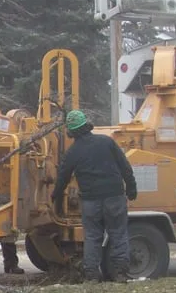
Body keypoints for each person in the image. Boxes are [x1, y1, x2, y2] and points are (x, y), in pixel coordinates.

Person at [50, 110, 137, 282]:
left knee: (92, 236)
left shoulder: (73, 152)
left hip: (91, 201)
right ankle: (120, 273)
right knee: (118, 233)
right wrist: (131, 188)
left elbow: (62, 178)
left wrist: (55, 197)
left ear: (71, 131)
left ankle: (91, 276)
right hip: (114, 197)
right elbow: (124, 166)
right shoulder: (106, 142)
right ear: (87, 125)